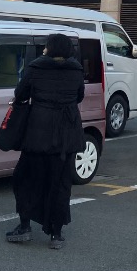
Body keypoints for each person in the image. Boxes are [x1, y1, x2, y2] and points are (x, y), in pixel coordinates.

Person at [5, 32, 86, 249]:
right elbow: (79, 96)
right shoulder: (76, 70)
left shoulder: (36, 67)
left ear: (49, 48)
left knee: (25, 179)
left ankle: (24, 226)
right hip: (67, 135)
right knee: (60, 185)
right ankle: (56, 235)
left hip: (38, 133)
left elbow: (20, 93)